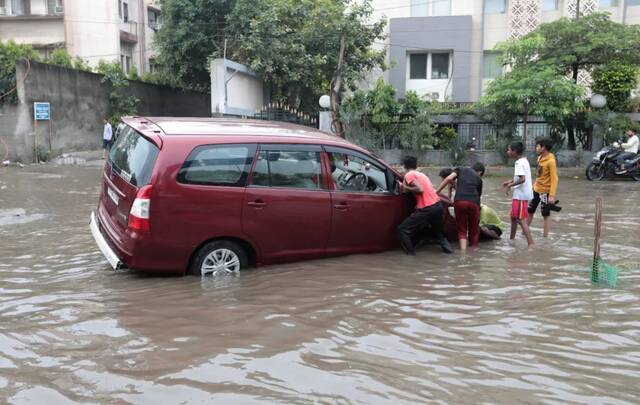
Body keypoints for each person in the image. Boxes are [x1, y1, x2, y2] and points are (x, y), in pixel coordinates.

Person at [397, 156, 453, 255]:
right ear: (416, 165)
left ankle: (410, 257)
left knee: (403, 229)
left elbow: (420, 189)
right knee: (439, 234)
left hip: (427, 208)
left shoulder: (409, 175)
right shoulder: (421, 175)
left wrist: (404, 186)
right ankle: (451, 254)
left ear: (404, 165)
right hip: (438, 206)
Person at [436, 162, 485, 253]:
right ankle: (474, 253)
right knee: (474, 230)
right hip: (474, 203)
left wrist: (436, 192)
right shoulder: (479, 179)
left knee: (462, 230)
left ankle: (463, 253)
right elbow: (478, 197)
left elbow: (449, 178)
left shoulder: (460, 169)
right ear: (479, 172)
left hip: (460, 201)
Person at [502, 142, 534, 247]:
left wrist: (510, 185)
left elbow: (522, 179)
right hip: (520, 194)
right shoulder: (524, 161)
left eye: (509, 149)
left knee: (520, 219)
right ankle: (512, 240)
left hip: (521, 195)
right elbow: (521, 177)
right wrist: (510, 181)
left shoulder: (519, 163)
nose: (508, 152)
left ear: (514, 152)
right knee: (513, 217)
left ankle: (531, 244)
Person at [527, 138, 561, 238]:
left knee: (545, 214)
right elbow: (539, 175)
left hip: (545, 193)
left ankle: (545, 237)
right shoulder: (540, 158)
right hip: (536, 190)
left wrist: (552, 195)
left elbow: (554, 179)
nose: (536, 148)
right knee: (530, 210)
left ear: (544, 147)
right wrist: (533, 187)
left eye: (537, 146)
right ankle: (524, 232)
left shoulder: (551, 161)